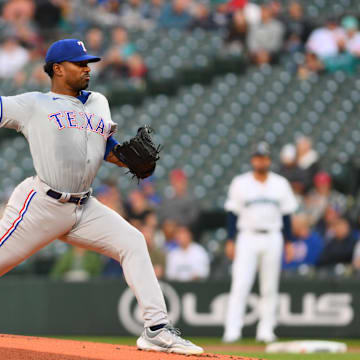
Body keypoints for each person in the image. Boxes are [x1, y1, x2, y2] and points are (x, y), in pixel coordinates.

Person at [0, 38, 203, 355]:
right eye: (79, 63)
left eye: (88, 63)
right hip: (41, 204)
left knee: (133, 242)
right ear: (57, 68)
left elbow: (104, 147)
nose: (86, 68)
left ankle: (156, 329)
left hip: (84, 206)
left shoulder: (98, 102)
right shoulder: (34, 104)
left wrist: (128, 160)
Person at [223, 142, 297, 343]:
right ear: (252, 160)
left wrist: (289, 242)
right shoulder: (241, 182)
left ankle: (266, 330)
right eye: (257, 157)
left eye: (264, 157)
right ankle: (232, 330)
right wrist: (231, 240)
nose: (260, 160)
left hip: (273, 235)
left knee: (270, 286)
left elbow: (287, 215)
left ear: (269, 160)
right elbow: (232, 213)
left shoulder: (280, 183)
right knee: (240, 284)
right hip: (247, 235)